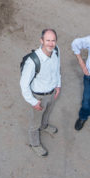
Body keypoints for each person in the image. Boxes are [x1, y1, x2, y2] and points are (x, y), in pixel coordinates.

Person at [19, 28, 61, 157]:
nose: (51, 43)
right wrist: (33, 101)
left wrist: (58, 85)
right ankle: (35, 144)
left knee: (48, 112)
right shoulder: (32, 61)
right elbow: (23, 84)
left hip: (52, 92)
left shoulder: (56, 51)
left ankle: (45, 126)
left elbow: (57, 69)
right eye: (47, 40)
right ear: (41, 40)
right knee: (34, 123)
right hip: (39, 97)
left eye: (53, 40)